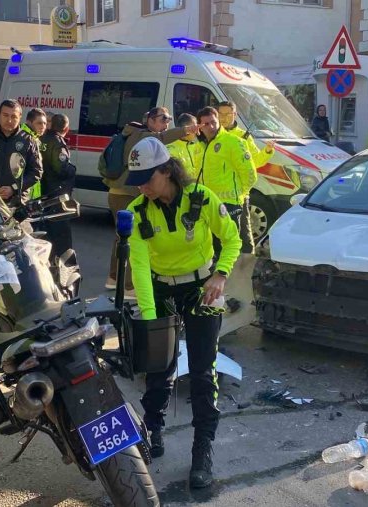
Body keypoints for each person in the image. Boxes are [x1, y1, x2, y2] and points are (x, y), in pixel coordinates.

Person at [124, 137, 240, 489]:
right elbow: (140, 268)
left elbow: (232, 238)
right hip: (161, 290)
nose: (142, 186)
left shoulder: (202, 198)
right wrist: (148, 316)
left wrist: (220, 274)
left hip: (201, 288)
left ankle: (202, 449)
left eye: (148, 177)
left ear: (166, 170)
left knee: (204, 372)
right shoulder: (137, 212)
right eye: (137, 180)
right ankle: (154, 431)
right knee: (158, 367)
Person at [104, 106, 196, 296]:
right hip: (125, 194)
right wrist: (186, 130)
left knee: (122, 237)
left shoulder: (135, 133)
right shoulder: (142, 136)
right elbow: (160, 139)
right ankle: (129, 286)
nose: (167, 122)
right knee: (133, 239)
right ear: (151, 120)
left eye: (169, 119)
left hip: (120, 192)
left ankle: (113, 278)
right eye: (164, 119)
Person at [195, 106, 257, 256]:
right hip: (208, 204)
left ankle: (235, 278)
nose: (210, 127)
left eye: (213, 122)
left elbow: (250, 174)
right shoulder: (200, 146)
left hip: (229, 205)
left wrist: (239, 195)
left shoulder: (233, 141)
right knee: (213, 249)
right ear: (200, 127)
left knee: (230, 249)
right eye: (205, 124)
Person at [216, 101, 271, 253]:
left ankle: (244, 269)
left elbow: (255, 162)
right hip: (215, 193)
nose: (223, 118)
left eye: (227, 114)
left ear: (235, 115)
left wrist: (267, 151)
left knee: (243, 233)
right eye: (220, 114)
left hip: (237, 195)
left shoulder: (243, 137)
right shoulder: (213, 134)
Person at [39, 113, 76, 259]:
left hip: (42, 192)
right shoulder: (58, 143)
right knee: (61, 235)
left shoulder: (42, 139)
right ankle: (64, 264)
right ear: (66, 127)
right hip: (56, 194)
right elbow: (61, 168)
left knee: (46, 232)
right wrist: (72, 169)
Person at [166, 113, 204, 179]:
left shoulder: (196, 145)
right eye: (194, 128)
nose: (196, 131)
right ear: (186, 128)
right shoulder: (171, 150)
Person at [20, 108, 47, 200]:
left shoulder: (34, 138)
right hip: (21, 194)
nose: (43, 126)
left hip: (29, 194)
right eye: (39, 123)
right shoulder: (22, 138)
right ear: (29, 122)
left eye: (45, 123)